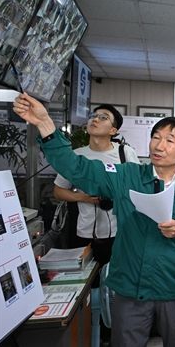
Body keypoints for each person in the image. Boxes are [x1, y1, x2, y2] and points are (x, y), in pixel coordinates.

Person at [13, 93, 175, 347]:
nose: (159, 145)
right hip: (130, 289)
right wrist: (45, 125)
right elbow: (78, 168)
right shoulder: (126, 175)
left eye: (169, 140)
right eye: (156, 137)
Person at [53, 104, 139, 275]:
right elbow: (58, 191)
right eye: (93, 116)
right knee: (82, 280)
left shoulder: (125, 153)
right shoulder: (76, 156)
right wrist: (83, 198)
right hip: (82, 232)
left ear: (113, 130)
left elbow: (137, 187)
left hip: (118, 233)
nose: (95, 119)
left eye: (103, 117)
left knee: (115, 278)